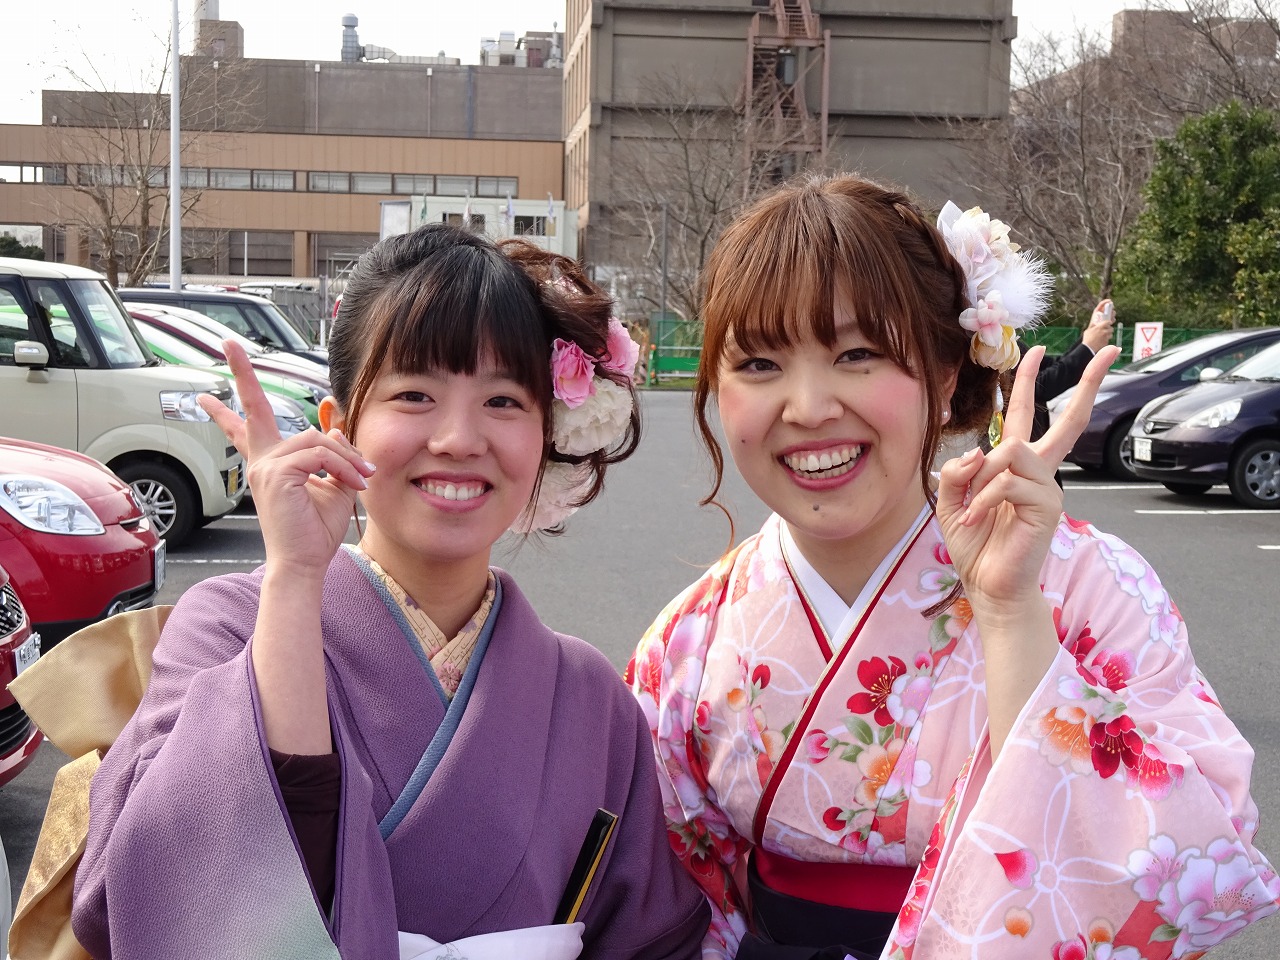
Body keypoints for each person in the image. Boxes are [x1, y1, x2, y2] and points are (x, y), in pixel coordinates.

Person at [627, 176, 1279, 959]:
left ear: (943, 374)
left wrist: (1011, 616)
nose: (807, 407)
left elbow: (1199, 849)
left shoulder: (1083, 582)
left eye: (858, 354)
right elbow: (660, 894)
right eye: (760, 363)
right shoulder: (688, 639)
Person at [66, 224, 709, 958]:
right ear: (341, 429)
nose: (459, 438)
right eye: (414, 394)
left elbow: (652, 940)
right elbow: (137, 895)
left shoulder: (589, 697)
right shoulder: (229, 628)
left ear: (546, 437)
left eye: (504, 401)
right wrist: (294, 578)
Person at [1030, 298, 1116, 442]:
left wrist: (1089, 335)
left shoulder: (1005, 339)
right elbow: (1041, 385)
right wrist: (1088, 347)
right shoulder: (997, 343)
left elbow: (1052, 366)